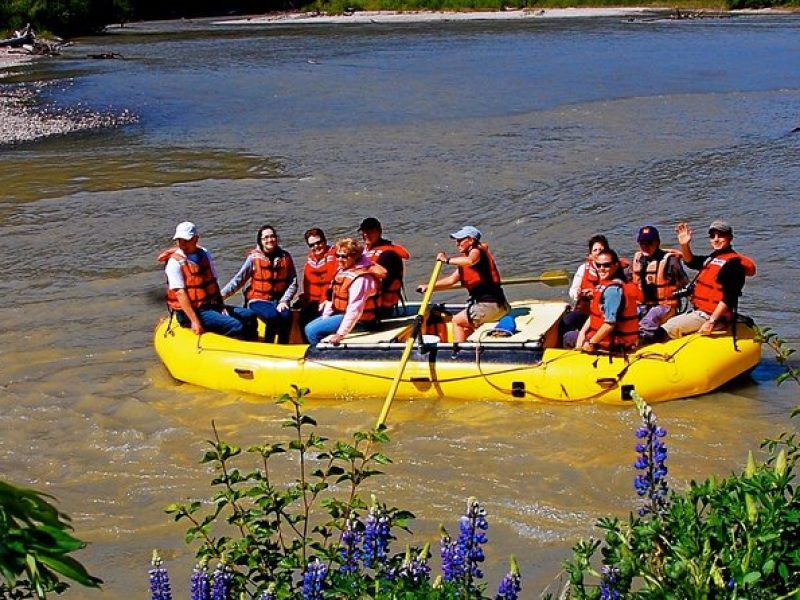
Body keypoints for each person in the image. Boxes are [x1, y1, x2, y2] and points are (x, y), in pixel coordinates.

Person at [158, 221, 256, 340]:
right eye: (179, 240)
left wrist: (221, 306)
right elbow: (180, 293)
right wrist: (195, 321)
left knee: (249, 315)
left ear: (195, 239)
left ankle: (254, 344)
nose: (182, 243)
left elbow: (213, 282)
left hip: (209, 306)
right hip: (189, 313)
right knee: (236, 325)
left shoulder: (204, 254)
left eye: (185, 240)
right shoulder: (174, 263)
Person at [659, 220, 756, 339]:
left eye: (721, 235)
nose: (716, 239)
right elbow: (691, 262)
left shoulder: (734, 265)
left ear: (730, 238)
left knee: (663, 330)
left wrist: (711, 322)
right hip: (701, 312)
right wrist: (684, 245)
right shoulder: (714, 258)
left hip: (711, 317)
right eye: (712, 236)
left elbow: (729, 297)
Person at [416, 226, 509, 343]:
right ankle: (468, 344)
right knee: (465, 322)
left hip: (490, 306)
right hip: (498, 306)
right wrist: (428, 286)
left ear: (470, 240)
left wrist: (447, 260)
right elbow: (451, 280)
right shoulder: (466, 262)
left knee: (456, 321)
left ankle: (457, 352)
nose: (457, 244)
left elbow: (470, 261)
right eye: (456, 240)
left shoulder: (476, 251)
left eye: (460, 240)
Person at [220, 225, 297, 343]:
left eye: (272, 236)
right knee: (273, 316)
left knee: (286, 316)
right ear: (260, 241)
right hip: (258, 300)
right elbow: (238, 280)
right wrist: (220, 298)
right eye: (265, 238)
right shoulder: (253, 259)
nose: (269, 240)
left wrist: (284, 300)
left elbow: (293, 282)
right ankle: (268, 345)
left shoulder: (285, 257)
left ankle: (283, 346)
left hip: (279, 300)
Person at [304, 238, 385, 346]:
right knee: (309, 324)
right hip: (342, 314)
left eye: (344, 256)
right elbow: (331, 297)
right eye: (338, 255)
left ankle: (325, 356)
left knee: (311, 331)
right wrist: (326, 318)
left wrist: (340, 334)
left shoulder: (361, 279)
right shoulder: (343, 270)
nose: (339, 259)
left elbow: (355, 309)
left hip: (362, 321)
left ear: (355, 257)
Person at [569, 249, 640, 353]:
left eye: (606, 265)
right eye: (598, 265)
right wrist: (582, 333)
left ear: (615, 266)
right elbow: (595, 315)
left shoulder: (613, 291)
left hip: (613, 344)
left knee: (568, 337)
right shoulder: (605, 285)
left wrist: (591, 343)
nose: (601, 269)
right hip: (600, 338)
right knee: (571, 335)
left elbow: (610, 324)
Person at [631, 225, 689, 344]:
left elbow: (685, 285)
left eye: (649, 243)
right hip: (642, 305)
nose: (645, 246)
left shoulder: (670, 261)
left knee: (649, 319)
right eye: (642, 243)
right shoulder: (638, 260)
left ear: (657, 242)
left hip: (665, 306)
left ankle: (643, 343)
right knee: (627, 316)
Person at [358, 217, 411, 319]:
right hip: (363, 305)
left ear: (379, 231)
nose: (366, 235)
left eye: (370, 231)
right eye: (364, 232)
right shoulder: (363, 251)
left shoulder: (388, 254)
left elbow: (381, 283)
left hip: (379, 309)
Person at [561, 234, 610, 343]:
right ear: (590, 254)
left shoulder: (611, 268)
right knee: (567, 321)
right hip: (584, 311)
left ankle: (588, 339)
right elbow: (573, 291)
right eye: (595, 250)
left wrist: (595, 294)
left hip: (602, 313)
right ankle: (577, 338)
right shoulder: (583, 269)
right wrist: (577, 293)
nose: (598, 252)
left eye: (601, 250)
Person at [297, 227, 337, 329]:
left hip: (329, 301)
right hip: (314, 301)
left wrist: (325, 301)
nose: (316, 247)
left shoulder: (335, 257)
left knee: (312, 319)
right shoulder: (310, 260)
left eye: (319, 243)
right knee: (302, 316)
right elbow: (307, 284)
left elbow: (332, 282)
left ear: (324, 241)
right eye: (312, 245)